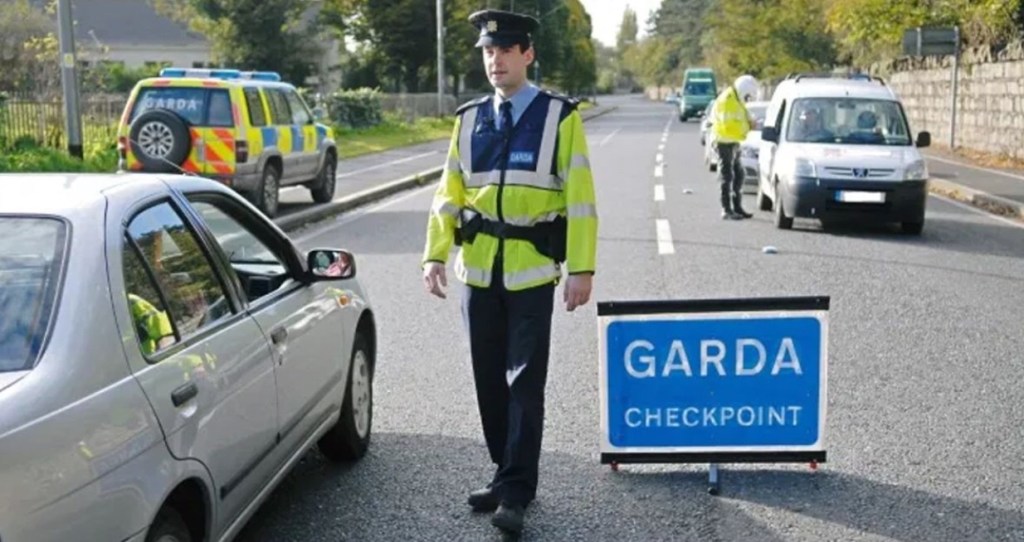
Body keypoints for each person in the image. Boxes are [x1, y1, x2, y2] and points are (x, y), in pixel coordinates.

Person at [420, 8, 598, 535]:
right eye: (488, 52)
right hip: (478, 272)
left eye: (504, 51)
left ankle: (517, 490)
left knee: (524, 383)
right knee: (488, 382)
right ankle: (504, 473)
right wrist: (434, 254)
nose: (494, 60)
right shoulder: (469, 119)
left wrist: (581, 269)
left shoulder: (559, 117)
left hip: (531, 273)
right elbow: (448, 193)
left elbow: (581, 199)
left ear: (527, 55)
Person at [710, 74, 758, 220]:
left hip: (732, 141)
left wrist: (750, 120)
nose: (748, 99)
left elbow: (743, 115)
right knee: (727, 176)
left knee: (739, 174)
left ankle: (737, 207)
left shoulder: (736, 98)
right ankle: (726, 209)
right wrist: (747, 128)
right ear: (744, 90)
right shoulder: (728, 100)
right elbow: (728, 126)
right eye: (748, 96)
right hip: (723, 141)